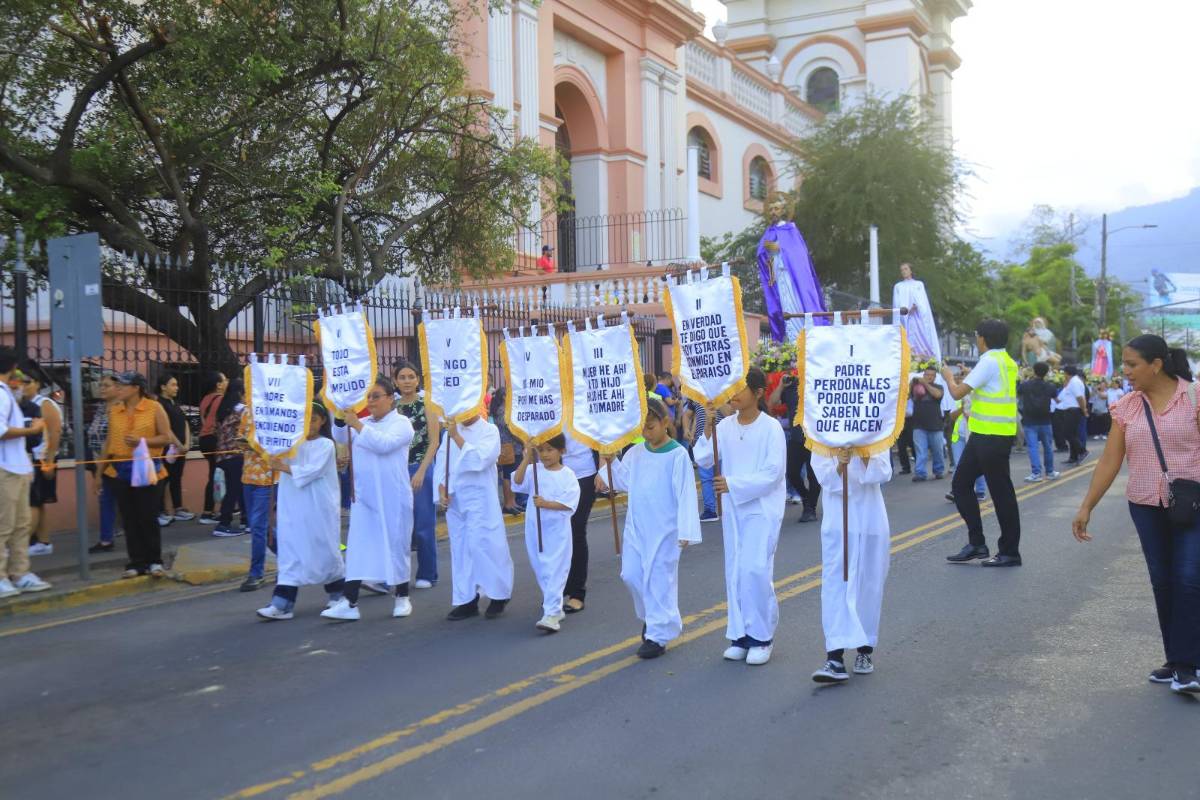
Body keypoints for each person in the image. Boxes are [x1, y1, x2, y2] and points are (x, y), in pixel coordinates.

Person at [1072, 335, 1200, 695]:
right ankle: (1176, 660)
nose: (1125, 371)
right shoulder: (1127, 407)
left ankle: (1187, 665)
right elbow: (1110, 460)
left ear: (1156, 365)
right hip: (1145, 504)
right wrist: (1086, 506)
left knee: (1189, 578)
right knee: (1163, 581)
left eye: (1132, 364)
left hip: (1191, 504)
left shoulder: (1194, 397)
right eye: (1124, 364)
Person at [694, 368, 786, 665]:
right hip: (734, 510)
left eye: (741, 388)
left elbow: (773, 474)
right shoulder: (725, 426)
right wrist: (708, 427)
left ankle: (762, 637)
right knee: (735, 570)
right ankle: (740, 636)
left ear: (758, 393)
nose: (733, 393)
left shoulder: (771, 428)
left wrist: (733, 484)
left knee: (755, 569)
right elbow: (703, 458)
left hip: (761, 509)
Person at [605, 397, 702, 659]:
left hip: (665, 530)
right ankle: (653, 616)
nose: (646, 433)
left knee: (659, 580)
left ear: (665, 422)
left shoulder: (677, 455)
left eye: (650, 427)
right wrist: (610, 461)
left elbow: (685, 494)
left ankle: (657, 635)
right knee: (631, 575)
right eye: (643, 428)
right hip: (637, 527)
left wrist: (686, 529)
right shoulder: (636, 453)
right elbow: (622, 481)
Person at [323, 377, 415, 621]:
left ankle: (402, 597)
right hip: (364, 497)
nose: (371, 402)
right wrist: (341, 415)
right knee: (358, 548)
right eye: (368, 397)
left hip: (392, 497)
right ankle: (349, 602)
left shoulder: (402, 423)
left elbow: (383, 445)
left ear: (390, 398)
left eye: (376, 396)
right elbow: (340, 436)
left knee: (396, 546)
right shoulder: (361, 423)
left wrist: (356, 425)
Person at [941, 319, 1022, 567]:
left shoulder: (988, 361)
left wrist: (948, 377)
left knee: (1001, 494)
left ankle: (1009, 551)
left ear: (983, 339)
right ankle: (977, 544)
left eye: (977, 335)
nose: (976, 339)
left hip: (990, 436)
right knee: (961, 485)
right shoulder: (1006, 360)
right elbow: (989, 386)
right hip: (988, 434)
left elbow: (956, 393)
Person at [809, 445, 893, 683]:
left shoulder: (874, 435)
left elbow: (884, 472)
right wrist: (840, 464)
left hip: (870, 518)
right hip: (838, 522)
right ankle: (834, 657)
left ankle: (865, 650)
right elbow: (824, 479)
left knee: (868, 584)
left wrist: (865, 454)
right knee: (835, 585)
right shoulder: (822, 437)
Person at [257, 403, 345, 620]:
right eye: (305, 419)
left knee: (324, 549)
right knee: (290, 549)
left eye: (313, 419)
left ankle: (338, 593)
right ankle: (282, 603)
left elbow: (311, 471)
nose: (309, 424)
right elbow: (273, 455)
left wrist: (281, 466)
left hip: (318, 507)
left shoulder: (326, 445)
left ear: (322, 421)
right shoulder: (290, 445)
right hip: (292, 505)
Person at [435, 409, 514, 621]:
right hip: (456, 500)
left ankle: (498, 595)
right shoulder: (450, 432)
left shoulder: (489, 430)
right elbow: (442, 463)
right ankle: (467, 599)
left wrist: (457, 437)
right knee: (461, 550)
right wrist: (441, 488)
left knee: (486, 546)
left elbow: (480, 460)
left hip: (481, 499)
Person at [102, 371, 171, 578]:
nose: (118, 389)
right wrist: (99, 472)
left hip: (147, 468)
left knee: (147, 516)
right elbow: (109, 443)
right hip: (121, 469)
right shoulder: (115, 411)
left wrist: (143, 441)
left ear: (136, 388)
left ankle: (155, 561)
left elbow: (166, 437)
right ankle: (136, 562)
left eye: (122, 386)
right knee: (129, 519)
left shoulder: (154, 407)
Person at [512, 435, 580, 632]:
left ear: (561, 451)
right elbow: (517, 481)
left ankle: (551, 614)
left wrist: (546, 504)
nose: (545, 454)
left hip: (557, 531)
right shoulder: (534, 470)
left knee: (554, 570)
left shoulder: (567, 475)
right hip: (535, 529)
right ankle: (555, 608)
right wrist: (527, 457)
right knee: (542, 569)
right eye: (541, 450)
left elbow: (569, 503)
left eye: (550, 450)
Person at [0, 349, 50, 597]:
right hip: (5, 469)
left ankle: (20, 573)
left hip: (18, 467)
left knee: (21, 524)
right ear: (12, 367)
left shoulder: (8, 393)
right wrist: (33, 430)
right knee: (4, 525)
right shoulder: (0, 394)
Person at [393, 362, 440, 589]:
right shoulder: (391, 406)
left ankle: (427, 574)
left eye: (411, 376)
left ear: (418, 380)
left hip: (421, 468)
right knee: (397, 525)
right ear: (395, 381)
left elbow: (434, 441)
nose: (407, 381)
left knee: (423, 524)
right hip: (396, 470)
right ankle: (393, 575)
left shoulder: (427, 403)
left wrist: (421, 471)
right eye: (402, 377)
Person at [234, 388, 279, 592]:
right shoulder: (247, 411)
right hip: (248, 475)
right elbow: (241, 437)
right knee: (263, 527)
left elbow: (279, 444)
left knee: (258, 526)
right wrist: (244, 443)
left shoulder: (277, 412)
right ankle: (289, 559)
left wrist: (255, 445)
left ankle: (256, 573)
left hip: (268, 477)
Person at [768, 371, 820, 523]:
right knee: (791, 473)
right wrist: (781, 386)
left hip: (815, 439)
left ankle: (810, 509)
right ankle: (806, 498)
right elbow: (772, 403)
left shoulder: (816, 384)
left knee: (814, 476)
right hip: (796, 438)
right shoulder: (791, 386)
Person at [20, 365, 60, 556]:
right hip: (29, 459)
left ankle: (31, 541)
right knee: (38, 501)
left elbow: (55, 432)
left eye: (27, 382)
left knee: (35, 501)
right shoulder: (22, 404)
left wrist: (49, 461)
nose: (23, 386)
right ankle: (42, 541)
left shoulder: (44, 403)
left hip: (42, 458)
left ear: (37, 384)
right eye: (20, 382)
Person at [562, 431, 599, 613]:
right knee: (557, 535)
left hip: (584, 474)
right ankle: (558, 587)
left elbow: (602, 435)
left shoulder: (586, 410)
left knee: (576, 530)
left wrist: (603, 470)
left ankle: (577, 593)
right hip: (554, 473)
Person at [86, 373, 120, 553]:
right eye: (101, 385)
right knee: (105, 499)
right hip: (98, 459)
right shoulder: (101, 408)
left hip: (115, 461)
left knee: (123, 500)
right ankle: (106, 539)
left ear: (118, 388)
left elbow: (113, 438)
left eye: (107, 385)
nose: (102, 389)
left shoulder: (121, 408)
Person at [154, 372, 193, 527]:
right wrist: (178, 445)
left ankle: (178, 509)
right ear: (163, 387)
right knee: (163, 480)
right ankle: (160, 511)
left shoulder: (175, 403)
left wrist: (187, 443)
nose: (176, 388)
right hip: (168, 449)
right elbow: (166, 429)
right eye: (173, 385)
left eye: (176, 385)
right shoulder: (159, 404)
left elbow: (185, 423)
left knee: (176, 478)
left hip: (180, 449)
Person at [212, 379, 247, 536]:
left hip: (223, 455)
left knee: (236, 489)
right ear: (240, 393)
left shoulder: (223, 409)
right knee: (234, 490)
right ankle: (224, 523)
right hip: (236, 454)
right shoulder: (242, 410)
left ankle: (245, 520)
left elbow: (216, 431)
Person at [1017, 362, 1060, 483]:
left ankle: (1036, 473)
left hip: (1029, 420)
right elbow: (1057, 399)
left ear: (1034, 371)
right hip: (1045, 420)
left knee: (1033, 447)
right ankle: (1050, 472)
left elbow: (1018, 393)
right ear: (1046, 373)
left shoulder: (1025, 385)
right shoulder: (1050, 386)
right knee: (1048, 447)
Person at [892, 262, 941, 360]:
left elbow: (922, 300)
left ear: (911, 271)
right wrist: (904, 311)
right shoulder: (898, 286)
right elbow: (896, 303)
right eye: (902, 270)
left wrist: (915, 306)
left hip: (917, 318)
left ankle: (924, 357)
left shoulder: (918, 284)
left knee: (921, 338)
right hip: (904, 318)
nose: (903, 271)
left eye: (906, 269)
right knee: (906, 338)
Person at [681, 397, 720, 523]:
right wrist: (686, 429)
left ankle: (727, 507)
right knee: (706, 478)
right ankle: (710, 510)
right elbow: (687, 414)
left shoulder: (724, 391)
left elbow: (730, 412)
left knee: (726, 474)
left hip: (722, 439)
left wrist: (719, 399)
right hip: (701, 441)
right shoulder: (695, 394)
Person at [197, 371, 228, 524]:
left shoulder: (205, 399)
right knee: (218, 475)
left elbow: (205, 420)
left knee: (214, 473)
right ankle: (208, 512)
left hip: (204, 439)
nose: (227, 382)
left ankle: (211, 511)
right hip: (214, 439)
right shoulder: (221, 399)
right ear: (218, 385)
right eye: (224, 380)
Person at [909, 366, 945, 481]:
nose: (929, 377)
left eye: (931, 375)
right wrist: (912, 383)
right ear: (923, 375)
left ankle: (938, 471)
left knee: (938, 451)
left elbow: (937, 395)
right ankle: (920, 473)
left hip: (936, 426)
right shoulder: (916, 387)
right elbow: (906, 395)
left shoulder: (939, 387)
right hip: (918, 425)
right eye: (926, 375)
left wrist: (925, 383)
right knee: (921, 452)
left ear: (935, 377)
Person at [491, 387, 522, 515]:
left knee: (511, 475)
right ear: (504, 396)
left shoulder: (501, 410)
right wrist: (523, 440)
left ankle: (513, 502)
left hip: (510, 447)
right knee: (508, 476)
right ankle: (509, 503)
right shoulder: (503, 411)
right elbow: (512, 430)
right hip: (511, 448)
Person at [1057, 365, 1089, 466]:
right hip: (1070, 410)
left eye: (1064, 373)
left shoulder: (1075, 382)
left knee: (1068, 433)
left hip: (1073, 410)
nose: (1064, 375)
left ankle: (1082, 450)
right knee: (1072, 434)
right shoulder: (1072, 382)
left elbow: (1080, 397)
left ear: (1067, 373)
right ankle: (1073, 456)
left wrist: (1084, 409)